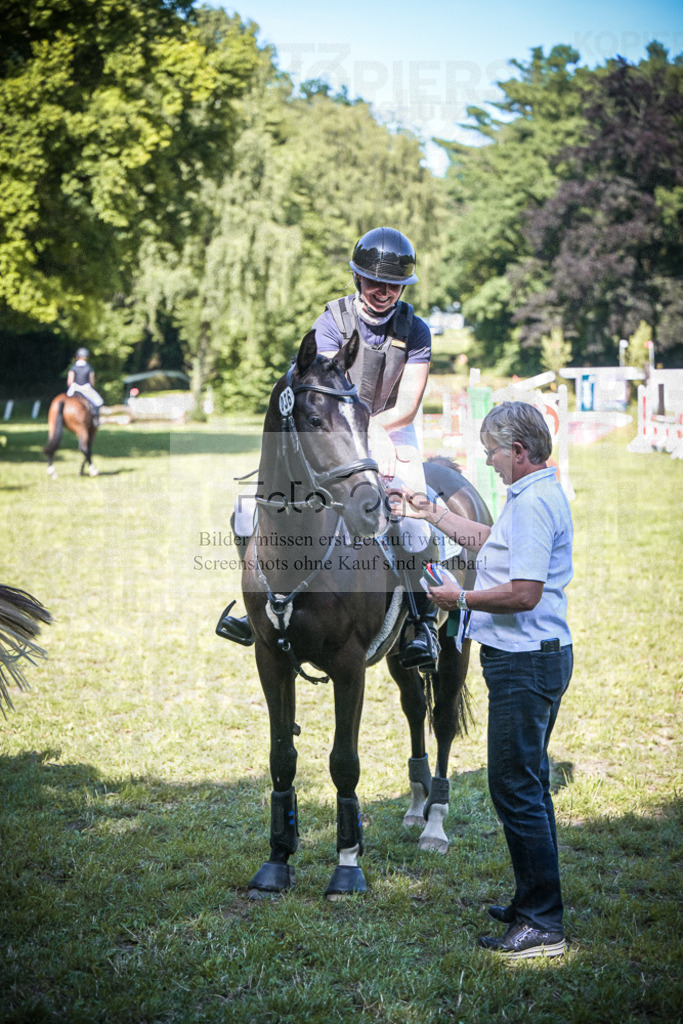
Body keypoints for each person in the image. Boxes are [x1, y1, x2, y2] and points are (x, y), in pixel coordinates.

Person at [394, 401, 574, 960]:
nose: (489, 462)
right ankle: (532, 905)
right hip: (526, 659)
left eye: (493, 453)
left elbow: (524, 592)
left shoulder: (538, 503)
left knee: (516, 790)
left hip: (526, 661)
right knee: (527, 785)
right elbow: (493, 543)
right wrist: (431, 513)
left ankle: (543, 923)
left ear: (518, 451)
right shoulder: (529, 496)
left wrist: (459, 598)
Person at [219, 227, 440, 670]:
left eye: (393, 284)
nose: (383, 292)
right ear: (358, 279)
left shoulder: (415, 330)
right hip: (337, 432)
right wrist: (355, 431)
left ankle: (423, 622)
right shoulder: (331, 322)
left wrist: (377, 431)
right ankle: (256, 605)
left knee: (419, 517)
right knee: (247, 511)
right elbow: (321, 387)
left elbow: (409, 402)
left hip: (393, 428)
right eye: (375, 282)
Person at [66, 348, 104, 425]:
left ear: (77, 357)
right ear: (86, 357)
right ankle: (95, 419)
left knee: (65, 401)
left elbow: (70, 381)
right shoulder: (89, 368)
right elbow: (91, 381)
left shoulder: (73, 367)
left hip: (74, 388)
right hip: (85, 388)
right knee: (99, 401)